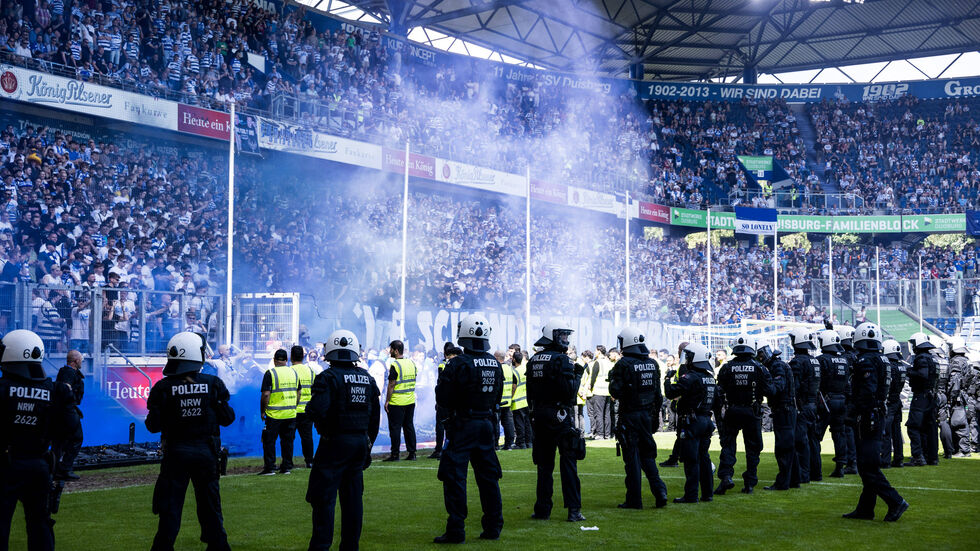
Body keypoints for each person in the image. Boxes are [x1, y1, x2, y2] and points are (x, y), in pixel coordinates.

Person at [146, 332, 235, 551]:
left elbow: (152, 425)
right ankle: (218, 546)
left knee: (170, 507)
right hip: (206, 453)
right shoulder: (213, 383)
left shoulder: (163, 387)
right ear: (198, 355)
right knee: (210, 505)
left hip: (175, 454)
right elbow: (228, 418)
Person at [306, 330, 381, 551]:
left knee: (323, 498)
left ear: (329, 352)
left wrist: (321, 426)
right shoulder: (367, 378)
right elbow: (375, 416)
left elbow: (317, 410)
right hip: (359, 443)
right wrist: (368, 443)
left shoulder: (327, 378)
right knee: (353, 500)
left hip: (334, 443)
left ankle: (320, 546)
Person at [433, 314, 504, 544]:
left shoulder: (457, 363)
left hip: (463, 425)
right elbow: (498, 396)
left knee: (455, 477)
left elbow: (443, 397)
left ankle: (456, 530)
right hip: (486, 424)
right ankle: (493, 527)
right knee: (489, 478)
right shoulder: (495, 364)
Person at [0, 330, 72, 551]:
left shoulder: (2, 388)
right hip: (40, 464)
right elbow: (70, 429)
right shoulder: (54, 390)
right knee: (40, 525)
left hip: (7, 464)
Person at [841, 322, 909, 522]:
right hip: (878, 413)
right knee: (867, 464)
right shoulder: (883, 359)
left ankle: (895, 501)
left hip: (868, 415)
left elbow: (867, 391)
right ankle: (865, 509)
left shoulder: (866, 360)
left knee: (867, 465)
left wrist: (856, 412)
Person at [527, 320, 586, 522]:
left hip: (540, 415)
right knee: (568, 462)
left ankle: (542, 509)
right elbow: (570, 392)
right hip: (560, 414)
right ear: (553, 336)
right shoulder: (563, 360)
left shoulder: (533, 360)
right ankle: (574, 510)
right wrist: (578, 375)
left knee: (544, 466)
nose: (566, 340)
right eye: (562, 336)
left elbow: (530, 393)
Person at [608, 327, 668, 509]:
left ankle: (634, 499)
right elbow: (658, 395)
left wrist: (612, 379)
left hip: (630, 416)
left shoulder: (623, 364)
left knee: (632, 459)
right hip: (647, 415)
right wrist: (655, 418)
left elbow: (615, 391)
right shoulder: (653, 364)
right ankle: (660, 492)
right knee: (647, 456)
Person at [715, 334, 771, 495]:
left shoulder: (726, 367)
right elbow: (768, 390)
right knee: (753, 448)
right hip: (752, 411)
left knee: (728, 446)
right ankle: (750, 483)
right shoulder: (760, 368)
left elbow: (720, 391)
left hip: (732, 411)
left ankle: (726, 477)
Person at [664, 341, 717, 503]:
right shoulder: (709, 377)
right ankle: (708, 494)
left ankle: (691, 495)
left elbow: (671, 393)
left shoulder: (691, 377)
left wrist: (667, 378)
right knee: (704, 458)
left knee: (691, 459)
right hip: (706, 420)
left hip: (692, 422)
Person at [757, 339, 798, 491]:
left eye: (760, 355)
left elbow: (776, 388)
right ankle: (794, 479)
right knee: (789, 447)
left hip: (784, 410)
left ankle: (782, 483)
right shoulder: (778, 365)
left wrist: (764, 384)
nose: (760, 359)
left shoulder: (777, 366)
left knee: (783, 447)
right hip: (786, 409)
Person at [816, 329, 851, 478]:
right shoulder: (844, 360)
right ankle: (840, 467)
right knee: (839, 434)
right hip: (841, 401)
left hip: (826, 402)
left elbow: (817, 381)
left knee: (815, 435)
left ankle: (814, 468)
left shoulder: (822, 359)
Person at [259, 348, 299, 475]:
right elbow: (299, 392)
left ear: (274, 360)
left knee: (269, 441)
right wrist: (293, 405)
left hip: (274, 414)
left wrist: (262, 411)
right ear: (286, 360)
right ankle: (286, 466)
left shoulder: (270, 373)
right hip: (290, 413)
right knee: (287, 441)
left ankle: (270, 467)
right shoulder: (294, 372)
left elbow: (266, 394)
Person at [787, 327, 820, 483]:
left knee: (801, 441)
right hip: (813, 404)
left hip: (802, 405)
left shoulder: (797, 362)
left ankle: (803, 475)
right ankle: (816, 473)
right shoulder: (814, 360)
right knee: (813, 440)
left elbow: (795, 386)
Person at [905, 332, 938, 467]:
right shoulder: (931, 358)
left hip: (920, 397)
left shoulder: (921, 358)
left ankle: (918, 456)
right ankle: (931, 457)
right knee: (928, 427)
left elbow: (922, 374)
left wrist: (909, 371)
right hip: (930, 397)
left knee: (913, 426)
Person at [53, 349, 84, 480]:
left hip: (62, 411)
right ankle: (65, 468)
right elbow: (66, 390)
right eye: (81, 360)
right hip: (67, 411)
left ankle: (54, 469)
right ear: (76, 361)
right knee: (77, 438)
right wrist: (71, 402)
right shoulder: (69, 373)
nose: (82, 362)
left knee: (60, 441)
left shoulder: (65, 372)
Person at [383, 340, 417, 461]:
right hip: (410, 401)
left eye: (391, 349)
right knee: (409, 427)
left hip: (397, 402)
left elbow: (391, 385)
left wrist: (387, 401)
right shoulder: (411, 363)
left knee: (395, 428)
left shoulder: (395, 365)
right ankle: (412, 453)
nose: (390, 351)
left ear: (396, 351)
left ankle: (395, 454)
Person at [659, 341, 689, 468]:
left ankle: (677, 458)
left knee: (682, 433)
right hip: (689, 405)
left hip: (685, 405)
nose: (677, 352)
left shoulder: (684, 367)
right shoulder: (691, 366)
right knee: (682, 434)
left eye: (679, 350)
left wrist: (667, 380)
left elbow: (674, 390)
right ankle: (676, 457)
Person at [879, 339, 908, 468]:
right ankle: (898, 459)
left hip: (889, 403)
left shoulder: (889, 367)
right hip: (897, 402)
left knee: (886, 432)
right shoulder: (902, 365)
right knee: (897, 432)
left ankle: (885, 461)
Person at [945, 337, 973, 457]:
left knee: (959, 422)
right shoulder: (965, 361)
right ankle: (961, 449)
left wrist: (951, 396)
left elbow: (955, 381)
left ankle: (964, 450)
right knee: (961, 421)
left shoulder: (956, 362)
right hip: (964, 395)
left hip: (958, 397)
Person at [290, 345, 317, 468]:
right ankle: (309, 461)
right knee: (307, 437)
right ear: (303, 356)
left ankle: (288, 462)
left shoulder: (290, 371)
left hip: (292, 409)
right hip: (307, 410)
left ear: (291, 357)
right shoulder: (310, 371)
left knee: (289, 437)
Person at [429, 342, 457, 459]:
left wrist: (438, 401)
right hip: (455, 400)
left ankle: (439, 450)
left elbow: (440, 383)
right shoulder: (459, 363)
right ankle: (449, 449)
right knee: (452, 426)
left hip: (444, 400)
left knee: (441, 425)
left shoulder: (442, 365)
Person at [588, 346, 613, 439]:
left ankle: (600, 434)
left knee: (598, 413)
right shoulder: (609, 362)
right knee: (607, 414)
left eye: (596, 350)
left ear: (599, 352)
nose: (595, 352)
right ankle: (607, 434)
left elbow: (593, 376)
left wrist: (590, 385)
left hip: (598, 391)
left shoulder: (597, 362)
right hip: (608, 391)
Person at [510, 348, 530, 449]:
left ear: (514, 359)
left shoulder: (515, 372)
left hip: (518, 402)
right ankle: (528, 442)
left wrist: (510, 398)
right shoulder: (526, 369)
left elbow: (513, 387)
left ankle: (520, 443)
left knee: (519, 424)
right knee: (527, 423)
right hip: (526, 400)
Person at [498, 350, 516, 450]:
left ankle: (495, 445)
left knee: (496, 423)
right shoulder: (509, 368)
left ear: (496, 358)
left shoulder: (498, 368)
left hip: (499, 401)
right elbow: (515, 384)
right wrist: (511, 396)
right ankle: (509, 444)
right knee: (508, 423)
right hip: (508, 401)